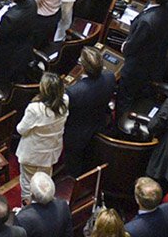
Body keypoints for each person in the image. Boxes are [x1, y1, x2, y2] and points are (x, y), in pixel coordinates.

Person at [118, 0, 168, 112]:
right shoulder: (166, 6)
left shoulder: (147, 22)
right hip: (152, 58)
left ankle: (119, 125)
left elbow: (133, 45)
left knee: (125, 96)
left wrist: (125, 46)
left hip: (137, 65)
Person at [62, 46, 116, 175]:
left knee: (73, 166)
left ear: (83, 66)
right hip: (100, 124)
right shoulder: (110, 77)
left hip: (77, 135)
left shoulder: (74, 92)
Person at [15, 73, 69, 201]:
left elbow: (20, 129)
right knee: (45, 183)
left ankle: (26, 210)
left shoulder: (34, 109)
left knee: (27, 184)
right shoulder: (65, 101)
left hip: (32, 154)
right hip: (50, 152)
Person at [13, 172, 70, 237]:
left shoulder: (22, 218)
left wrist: (21, 213)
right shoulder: (63, 205)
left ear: (32, 193)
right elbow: (68, 233)